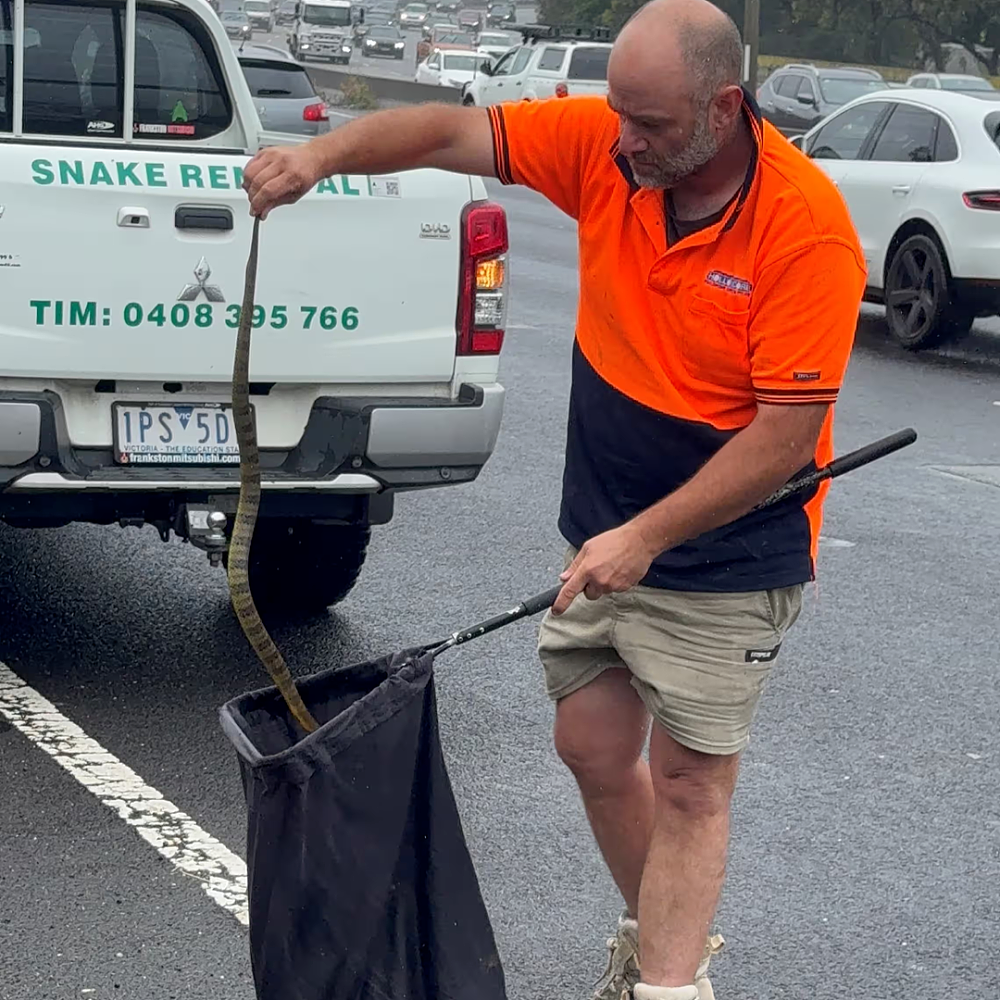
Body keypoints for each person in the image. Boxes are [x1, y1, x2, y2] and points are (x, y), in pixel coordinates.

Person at [243, 1, 866, 997]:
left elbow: (784, 438)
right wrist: (322, 158)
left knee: (692, 782)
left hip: (726, 553)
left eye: (653, 126)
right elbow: (452, 131)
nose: (625, 141)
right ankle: (666, 936)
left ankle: (667, 985)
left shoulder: (804, 232)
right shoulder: (607, 147)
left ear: (724, 107)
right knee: (588, 744)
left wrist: (648, 537)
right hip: (609, 533)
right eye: (619, 114)